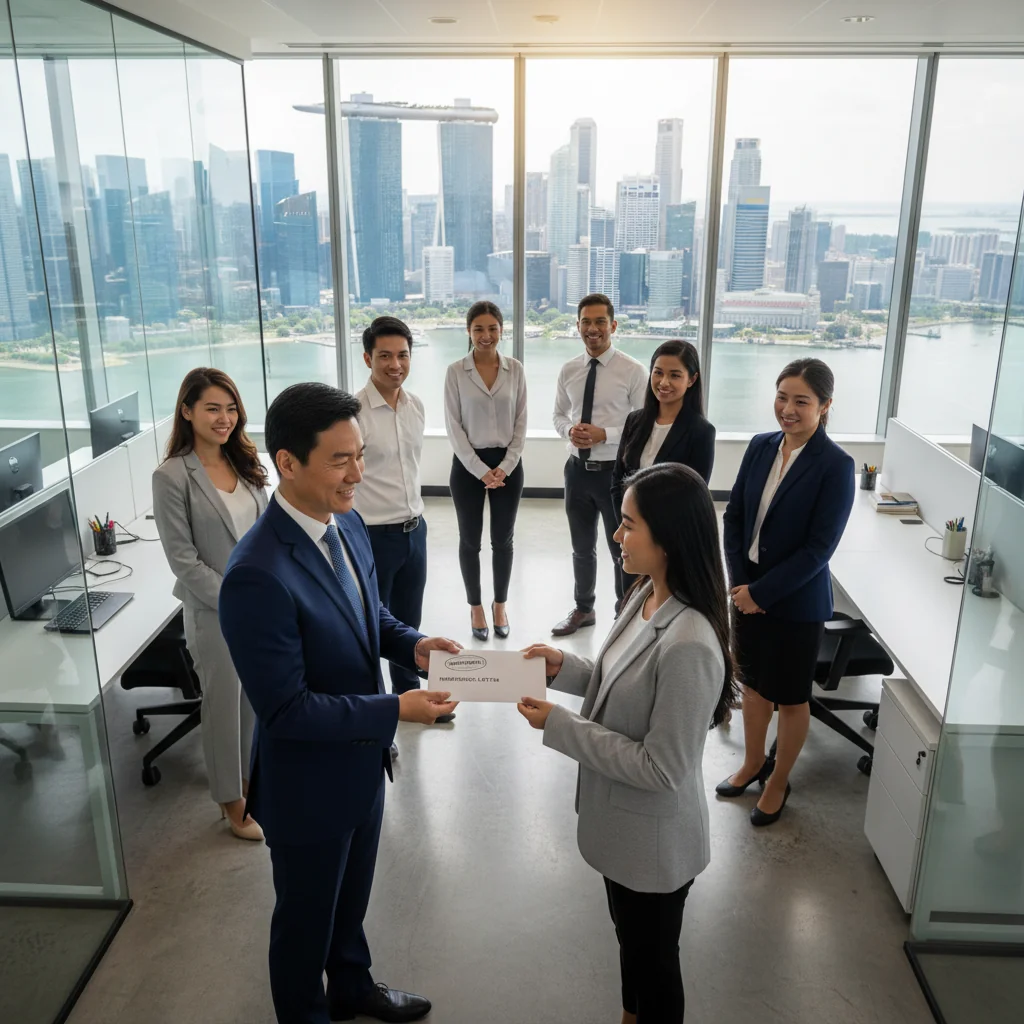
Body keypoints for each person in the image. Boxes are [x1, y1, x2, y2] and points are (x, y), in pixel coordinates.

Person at [218, 383, 460, 1024]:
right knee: (304, 923)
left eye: (362, 454)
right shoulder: (256, 574)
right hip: (307, 785)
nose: (360, 473)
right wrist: (396, 711)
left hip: (360, 764)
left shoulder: (347, 521)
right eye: (341, 460)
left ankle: (352, 985)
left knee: (349, 903)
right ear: (287, 463)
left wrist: (415, 645)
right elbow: (287, 711)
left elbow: (368, 617)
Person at [518, 463, 736, 1024]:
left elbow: (662, 768)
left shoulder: (690, 643)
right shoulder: (647, 596)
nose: (616, 535)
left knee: (655, 964)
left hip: (654, 846)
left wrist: (559, 727)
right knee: (633, 949)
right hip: (623, 829)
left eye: (628, 524)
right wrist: (561, 667)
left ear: (667, 539)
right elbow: (616, 680)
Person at [719, 358, 855, 827]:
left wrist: (763, 593)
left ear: (825, 406)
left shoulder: (835, 465)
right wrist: (742, 584)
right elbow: (734, 517)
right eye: (782, 397)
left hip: (796, 602)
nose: (788, 409)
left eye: (802, 401)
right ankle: (753, 762)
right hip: (747, 590)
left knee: (792, 697)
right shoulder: (760, 447)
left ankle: (777, 780)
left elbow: (819, 549)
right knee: (754, 687)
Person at [152, 367, 268, 841]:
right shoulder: (172, 476)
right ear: (187, 411)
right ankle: (230, 803)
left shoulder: (243, 460)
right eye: (212, 408)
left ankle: (249, 781)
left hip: (260, 605)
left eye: (231, 408)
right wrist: (237, 601)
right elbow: (184, 561)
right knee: (223, 706)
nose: (224, 418)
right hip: (215, 611)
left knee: (253, 701)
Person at [355, 316, 454, 730]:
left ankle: (412, 699)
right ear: (367, 358)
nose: (395, 364)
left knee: (409, 624)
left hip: (415, 529)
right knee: (369, 629)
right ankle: (379, 712)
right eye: (385, 356)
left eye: (402, 355)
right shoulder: (352, 412)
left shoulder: (415, 406)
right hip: (372, 534)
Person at [552, 293, 647, 636]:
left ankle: (627, 613)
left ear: (613, 325)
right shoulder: (569, 370)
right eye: (586, 322)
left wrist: (603, 434)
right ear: (578, 326)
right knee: (581, 548)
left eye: (600, 322)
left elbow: (643, 426)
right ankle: (583, 608)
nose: (593, 329)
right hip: (576, 471)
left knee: (622, 549)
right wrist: (571, 431)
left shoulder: (633, 371)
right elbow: (559, 415)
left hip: (616, 476)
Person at [444, 300, 527, 640]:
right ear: (469, 331)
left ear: (501, 330)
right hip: (467, 467)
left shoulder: (516, 369)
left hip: (509, 466)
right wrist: (481, 471)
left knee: (503, 541)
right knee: (470, 541)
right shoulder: (455, 372)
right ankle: (476, 607)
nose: (486, 335)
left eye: (492, 328)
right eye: (479, 328)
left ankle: (500, 605)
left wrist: (504, 467)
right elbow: (453, 427)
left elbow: (521, 422)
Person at [612, 340, 716, 597]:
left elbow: (692, 497)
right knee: (627, 601)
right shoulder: (635, 421)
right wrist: (628, 527)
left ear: (691, 380)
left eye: (674, 375)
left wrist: (653, 535)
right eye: (658, 372)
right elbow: (617, 481)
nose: (664, 382)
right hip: (631, 539)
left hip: (669, 546)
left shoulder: (700, 432)